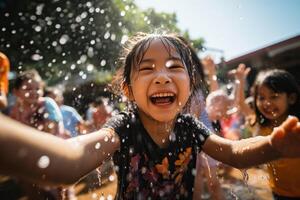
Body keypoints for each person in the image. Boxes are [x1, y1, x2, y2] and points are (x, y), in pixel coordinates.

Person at [0, 33, 300, 199]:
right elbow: (71, 160)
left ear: (190, 83)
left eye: (173, 67)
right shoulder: (123, 128)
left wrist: (272, 147)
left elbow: (234, 152)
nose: (161, 77)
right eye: (147, 68)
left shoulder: (188, 126)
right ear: (128, 90)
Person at [250, 69, 300, 199]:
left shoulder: (297, 127)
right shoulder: (263, 127)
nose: (267, 103)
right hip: (278, 191)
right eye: (261, 97)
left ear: (291, 98)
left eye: (274, 96)